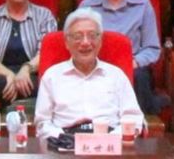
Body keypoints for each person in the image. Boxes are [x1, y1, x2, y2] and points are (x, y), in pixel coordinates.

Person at [34, 9, 145, 137]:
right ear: (66, 42)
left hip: (110, 141)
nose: (86, 43)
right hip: (65, 140)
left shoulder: (116, 75)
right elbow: (42, 123)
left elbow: (133, 118)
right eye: (78, 36)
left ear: (100, 40)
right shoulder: (52, 76)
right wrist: (63, 139)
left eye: (92, 35)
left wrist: (111, 139)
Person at [77, 0, 162, 115]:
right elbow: (78, 44)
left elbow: (152, 48)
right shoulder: (87, 7)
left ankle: (142, 124)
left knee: (140, 77)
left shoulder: (143, 4)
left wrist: (134, 62)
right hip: (96, 66)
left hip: (133, 67)